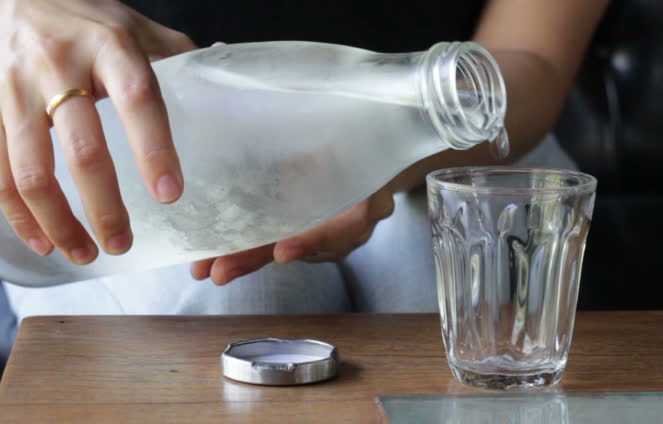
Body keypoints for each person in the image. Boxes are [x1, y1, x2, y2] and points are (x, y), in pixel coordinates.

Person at [0, 0, 608, 321]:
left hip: (436, 129)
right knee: (238, 308)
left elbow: (536, 58)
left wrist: (383, 148)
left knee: (436, 308)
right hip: (126, 133)